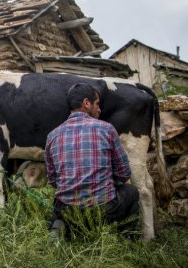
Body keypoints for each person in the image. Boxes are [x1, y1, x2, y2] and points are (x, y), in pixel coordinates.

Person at [45, 83, 140, 240]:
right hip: (103, 210)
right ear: (86, 103)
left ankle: (62, 227)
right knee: (131, 192)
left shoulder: (52, 136)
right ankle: (127, 240)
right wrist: (105, 184)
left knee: (58, 200)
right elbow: (124, 173)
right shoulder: (106, 129)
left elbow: (53, 180)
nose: (99, 109)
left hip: (68, 211)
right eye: (97, 104)